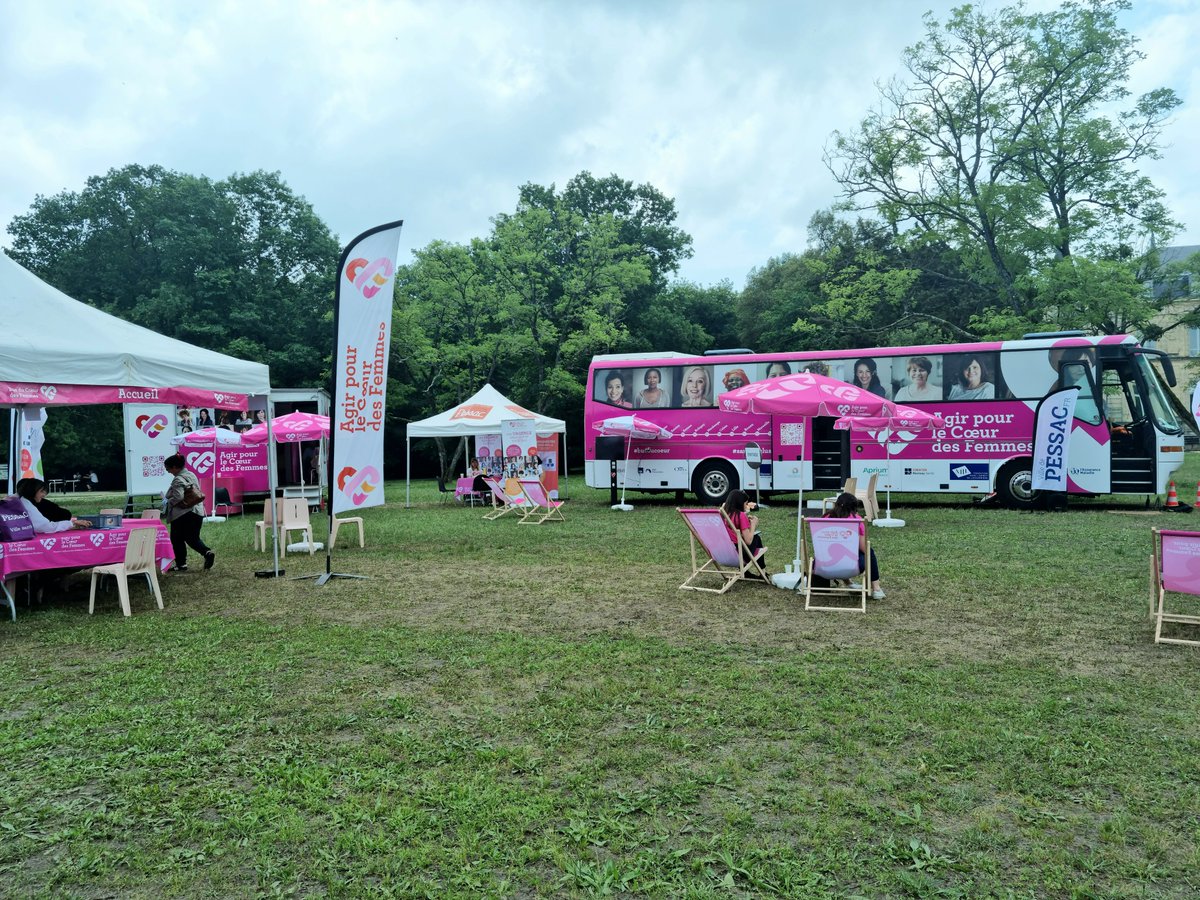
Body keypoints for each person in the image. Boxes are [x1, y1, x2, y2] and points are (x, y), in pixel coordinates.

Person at [825, 492, 885, 600]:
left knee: (838, 552)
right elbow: (863, 548)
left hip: (824, 564)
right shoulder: (856, 519)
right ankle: (876, 588)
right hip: (852, 566)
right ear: (854, 507)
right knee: (868, 551)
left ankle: (848, 583)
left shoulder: (825, 517)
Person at [163, 454, 215, 573]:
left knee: (176, 539)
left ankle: (181, 564)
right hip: (197, 511)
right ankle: (207, 552)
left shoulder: (177, 479)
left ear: (175, 467)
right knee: (193, 538)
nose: (169, 472)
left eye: (168, 469)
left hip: (183, 514)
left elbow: (178, 497)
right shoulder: (191, 474)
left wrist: (168, 501)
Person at [14, 479, 82, 533]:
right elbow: (45, 527)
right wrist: (72, 524)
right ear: (32, 491)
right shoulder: (26, 504)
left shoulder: (14, 499)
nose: (44, 495)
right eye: (41, 491)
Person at [722, 489, 764, 567]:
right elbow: (748, 541)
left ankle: (747, 572)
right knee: (757, 538)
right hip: (739, 554)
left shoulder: (723, 514)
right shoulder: (741, 515)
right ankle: (762, 570)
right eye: (745, 503)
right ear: (740, 503)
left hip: (724, 552)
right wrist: (753, 524)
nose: (746, 506)